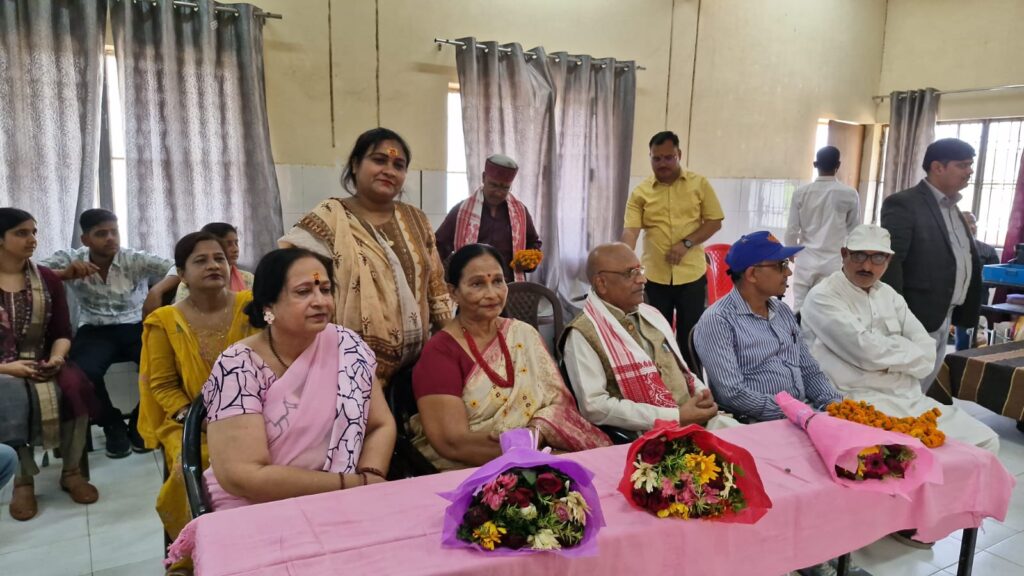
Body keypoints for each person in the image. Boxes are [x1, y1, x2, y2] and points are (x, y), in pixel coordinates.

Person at [203, 248, 396, 511]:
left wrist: (371, 475)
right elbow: (243, 476)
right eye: (303, 292)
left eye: (325, 289)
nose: (321, 301)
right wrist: (353, 484)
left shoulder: (347, 345)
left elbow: (380, 425)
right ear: (268, 306)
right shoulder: (237, 366)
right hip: (255, 505)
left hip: (347, 496)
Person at [410, 244, 610, 471]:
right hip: (472, 468)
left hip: (540, 450)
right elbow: (452, 443)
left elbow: (558, 405)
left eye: (498, 281)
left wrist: (537, 435)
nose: (492, 294)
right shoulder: (440, 352)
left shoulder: (523, 334)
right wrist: (535, 458)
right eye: (477, 284)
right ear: (453, 291)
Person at [801, 225, 998, 454]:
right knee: (910, 457)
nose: (867, 266)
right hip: (858, 401)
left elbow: (928, 352)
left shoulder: (889, 295)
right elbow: (867, 353)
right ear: (844, 254)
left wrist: (884, 355)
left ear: (888, 260)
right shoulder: (824, 296)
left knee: (986, 441)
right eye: (859, 256)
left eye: (877, 257)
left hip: (909, 398)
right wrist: (904, 351)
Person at [279, 128, 453, 387]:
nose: (389, 171)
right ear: (355, 164)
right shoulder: (331, 216)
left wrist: (451, 345)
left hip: (415, 368)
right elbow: (298, 279)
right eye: (379, 160)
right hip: (345, 368)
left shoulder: (417, 219)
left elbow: (436, 287)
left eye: (398, 165)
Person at [137, 231, 254, 540]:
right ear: (181, 274)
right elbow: (163, 386)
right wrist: (200, 421)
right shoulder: (165, 321)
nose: (213, 265)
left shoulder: (251, 307)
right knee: (190, 465)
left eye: (219, 259)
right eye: (201, 261)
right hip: (191, 422)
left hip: (255, 414)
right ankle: (198, 545)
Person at [560, 243, 739, 434]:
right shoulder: (582, 333)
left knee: (753, 441)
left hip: (697, 420)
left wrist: (701, 393)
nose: (642, 279)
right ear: (601, 283)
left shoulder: (652, 315)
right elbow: (594, 407)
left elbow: (682, 370)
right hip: (650, 436)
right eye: (630, 273)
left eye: (640, 270)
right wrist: (677, 416)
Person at [41, 208, 173, 458]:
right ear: (86, 239)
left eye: (114, 231)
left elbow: (178, 266)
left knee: (164, 365)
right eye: (102, 234)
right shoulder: (71, 258)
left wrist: (157, 291)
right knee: (81, 374)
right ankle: (111, 423)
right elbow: (29, 272)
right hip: (95, 328)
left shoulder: (134, 258)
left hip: (136, 325)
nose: (111, 238)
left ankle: (140, 420)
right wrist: (64, 274)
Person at [0, 208, 99, 521]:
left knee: (75, 386)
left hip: (44, 358)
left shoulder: (47, 278)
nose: (32, 239)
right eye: (21, 233)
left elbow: (62, 332)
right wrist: (8, 368)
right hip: (3, 369)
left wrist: (57, 358)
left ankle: (71, 472)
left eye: (34, 232)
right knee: (11, 394)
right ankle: (23, 481)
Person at [694, 231, 843, 422]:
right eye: (781, 265)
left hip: (801, 415)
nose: (788, 273)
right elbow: (733, 393)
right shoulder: (718, 321)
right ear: (752, 274)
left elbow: (808, 370)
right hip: (755, 422)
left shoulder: (782, 311)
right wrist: (797, 413)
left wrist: (835, 405)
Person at [881, 138, 982, 391]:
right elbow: (892, 262)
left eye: (970, 165)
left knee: (923, 387)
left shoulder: (953, 208)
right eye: (962, 165)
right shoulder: (905, 203)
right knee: (902, 387)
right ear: (938, 167)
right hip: (915, 315)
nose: (969, 171)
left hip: (944, 314)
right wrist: (898, 318)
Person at [621, 130, 724, 374]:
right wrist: (622, 260)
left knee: (691, 338)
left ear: (679, 155)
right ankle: (665, 385)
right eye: (656, 158)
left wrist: (686, 243)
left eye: (669, 157)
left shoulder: (699, 184)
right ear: (650, 157)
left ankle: (694, 384)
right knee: (658, 339)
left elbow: (714, 221)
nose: (663, 164)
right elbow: (631, 231)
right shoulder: (641, 192)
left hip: (691, 277)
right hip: (654, 278)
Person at [435, 154, 542, 282]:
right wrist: (437, 277)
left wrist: (529, 261)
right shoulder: (461, 212)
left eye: (505, 187)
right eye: (494, 185)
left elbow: (533, 243)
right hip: (473, 284)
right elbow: (438, 246)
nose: (499, 192)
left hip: (509, 285)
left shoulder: (520, 212)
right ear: (484, 177)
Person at [784, 146, 860, 313]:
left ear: (815, 164)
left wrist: (790, 251)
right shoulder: (849, 194)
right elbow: (854, 231)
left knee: (800, 307)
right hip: (834, 262)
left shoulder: (801, 193)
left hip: (806, 259)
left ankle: (798, 330)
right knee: (829, 309)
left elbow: (792, 229)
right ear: (838, 165)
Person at [172, 222, 255, 302]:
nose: (235, 249)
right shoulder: (187, 287)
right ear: (182, 275)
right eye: (201, 260)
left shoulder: (248, 279)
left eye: (236, 243)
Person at [955, 211, 1000, 350]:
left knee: (967, 338)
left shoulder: (988, 250)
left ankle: (965, 355)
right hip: (951, 296)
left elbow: (994, 280)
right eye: (967, 222)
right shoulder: (949, 247)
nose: (972, 226)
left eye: (973, 222)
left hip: (976, 298)